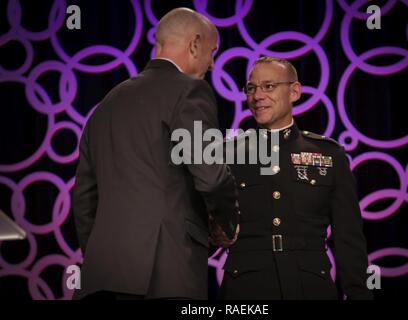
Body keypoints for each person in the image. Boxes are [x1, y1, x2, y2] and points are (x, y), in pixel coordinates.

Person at [72, 8, 239, 300]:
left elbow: (84, 199)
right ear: (195, 44)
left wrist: (102, 257)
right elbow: (211, 176)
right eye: (212, 51)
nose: (212, 64)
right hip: (163, 275)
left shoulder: (106, 105)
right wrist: (226, 224)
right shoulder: (189, 92)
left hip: (101, 278)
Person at [219, 56, 373, 300]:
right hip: (246, 288)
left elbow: (349, 239)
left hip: (310, 286)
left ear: (295, 91)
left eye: (268, 86)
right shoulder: (228, 154)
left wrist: (359, 295)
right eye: (251, 88)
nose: (257, 96)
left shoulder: (328, 154)